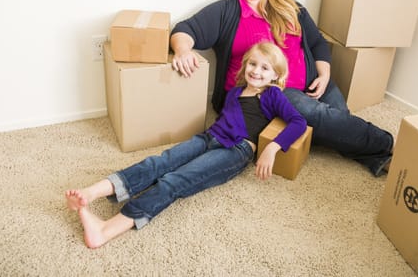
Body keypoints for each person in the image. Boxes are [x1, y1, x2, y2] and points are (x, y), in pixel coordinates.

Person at [170, 0, 393, 177]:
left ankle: (377, 158)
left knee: (338, 121)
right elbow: (185, 29)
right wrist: (183, 50)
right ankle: (389, 145)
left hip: (311, 82)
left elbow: (317, 42)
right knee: (323, 118)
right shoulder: (227, 11)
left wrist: (324, 75)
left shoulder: (290, 6)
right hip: (267, 92)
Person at [66, 43, 307, 249]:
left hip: (235, 150)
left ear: (275, 75)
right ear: (245, 65)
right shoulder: (234, 93)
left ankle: (106, 230)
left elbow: (298, 122)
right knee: (159, 162)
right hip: (207, 138)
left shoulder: (272, 95)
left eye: (265, 68)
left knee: (175, 180)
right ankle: (93, 192)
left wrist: (272, 148)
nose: (256, 71)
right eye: (253, 64)